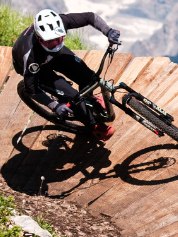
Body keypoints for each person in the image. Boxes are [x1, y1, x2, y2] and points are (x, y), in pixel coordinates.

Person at [12, 8, 121, 140]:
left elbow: (90, 17)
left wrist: (108, 31)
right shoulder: (30, 56)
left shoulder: (60, 22)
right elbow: (31, 89)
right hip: (38, 66)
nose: (55, 44)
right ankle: (94, 127)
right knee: (73, 96)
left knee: (88, 78)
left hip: (53, 56)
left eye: (59, 39)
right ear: (40, 38)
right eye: (50, 42)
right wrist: (54, 106)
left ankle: (88, 101)